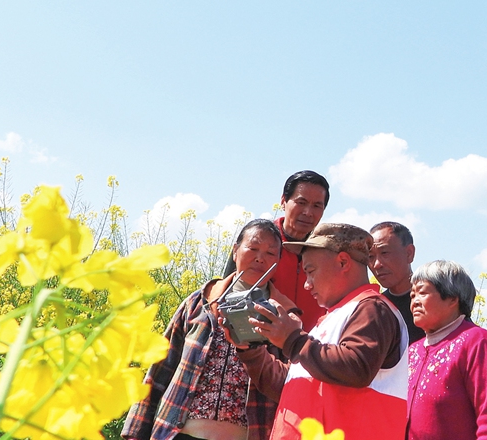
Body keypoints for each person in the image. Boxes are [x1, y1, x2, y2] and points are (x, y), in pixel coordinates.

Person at [234, 223, 408, 440]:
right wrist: (249, 349)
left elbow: (357, 367)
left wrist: (292, 340)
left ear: (343, 262)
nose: (307, 285)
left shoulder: (371, 309)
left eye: (311, 271)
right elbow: (287, 385)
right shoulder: (330, 319)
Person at [123, 219, 285, 440]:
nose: (260, 258)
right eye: (253, 248)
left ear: (278, 262)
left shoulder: (285, 317)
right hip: (180, 433)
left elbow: (286, 386)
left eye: (270, 253)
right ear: (235, 251)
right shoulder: (200, 302)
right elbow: (160, 367)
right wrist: (135, 431)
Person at [405, 260, 487, 440]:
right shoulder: (413, 350)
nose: (415, 301)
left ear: (453, 298)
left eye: (422, 293)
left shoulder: (477, 342)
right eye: (412, 295)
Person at [224, 170, 330, 329]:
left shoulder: (327, 252)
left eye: (316, 206)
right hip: (257, 342)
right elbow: (228, 289)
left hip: (310, 347)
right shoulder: (257, 243)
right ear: (283, 201)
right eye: (301, 202)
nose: (308, 212)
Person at [368, 221, 425, 343]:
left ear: (409, 253)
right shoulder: (376, 308)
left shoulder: (437, 300)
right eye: (370, 257)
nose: (377, 265)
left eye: (384, 253)